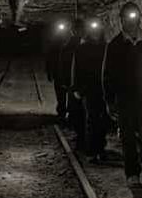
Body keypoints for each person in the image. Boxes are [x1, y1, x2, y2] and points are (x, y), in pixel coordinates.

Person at [102, 1, 142, 196]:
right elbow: (107, 75)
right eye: (126, 18)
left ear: (138, 19)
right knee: (128, 138)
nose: (130, 22)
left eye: (133, 17)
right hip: (125, 99)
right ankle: (132, 174)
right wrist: (110, 100)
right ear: (121, 20)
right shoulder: (114, 46)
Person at [72, 16, 109, 162]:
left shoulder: (106, 47)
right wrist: (77, 88)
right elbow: (76, 68)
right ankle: (92, 150)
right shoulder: (82, 48)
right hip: (89, 89)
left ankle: (101, 147)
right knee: (92, 119)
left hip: (104, 89)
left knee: (103, 119)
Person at [59, 18, 86, 149]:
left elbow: (63, 65)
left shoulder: (69, 47)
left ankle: (81, 137)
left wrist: (65, 82)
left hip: (76, 84)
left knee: (78, 111)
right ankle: (81, 137)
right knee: (79, 112)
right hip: (77, 83)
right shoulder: (75, 46)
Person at [46, 20, 70, 123]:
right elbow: (50, 59)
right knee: (61, 94)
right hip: (59, 73)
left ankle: (66, 112)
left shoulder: (71, 43)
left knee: (66, 94)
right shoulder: (55, 45)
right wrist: (49, 72)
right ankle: (62, 112)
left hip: (66, 73)